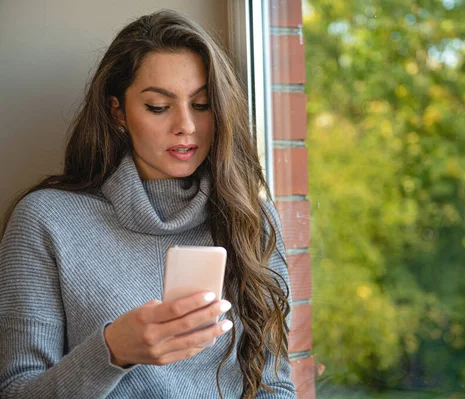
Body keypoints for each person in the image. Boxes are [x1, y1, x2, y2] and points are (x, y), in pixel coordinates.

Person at [0, 9, 295, 399]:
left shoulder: (249, 218)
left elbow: (275, 386)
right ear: (117, 111)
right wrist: (113, 350)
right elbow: (16, 391)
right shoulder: (47, 221)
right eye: (159, 106)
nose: (186, 125)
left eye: (202, 104)